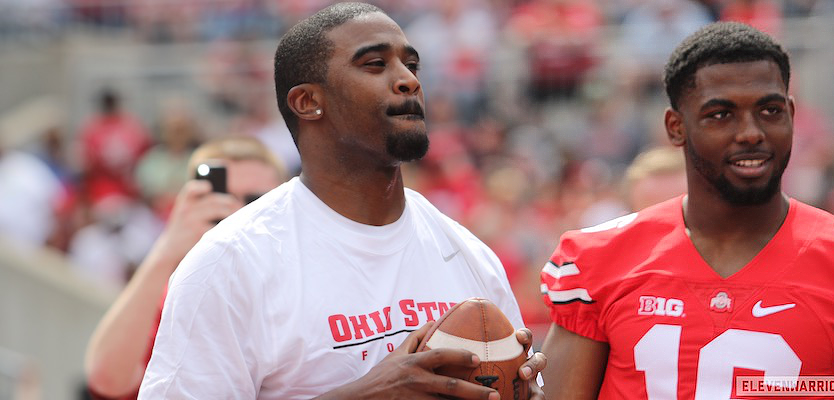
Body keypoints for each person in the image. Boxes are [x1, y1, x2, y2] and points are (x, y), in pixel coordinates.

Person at [139, 3, 545, 399]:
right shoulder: (229, 263)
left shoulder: (466, 252)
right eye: (374, 64)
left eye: (412, 65)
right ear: (308, 102)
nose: (409, 81)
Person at [539, 22, 834, 399]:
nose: (751, 132)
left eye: (770, 110)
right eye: (721, 115)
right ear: (676, 127)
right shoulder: (599, 258)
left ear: (792, 115)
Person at [84, 136, 288, 399]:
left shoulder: (304, 278)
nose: (237, 211)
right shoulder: (180, 287)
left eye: (254, 200)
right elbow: (107, 381)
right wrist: (166, 249)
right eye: (222, 196)